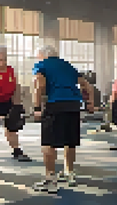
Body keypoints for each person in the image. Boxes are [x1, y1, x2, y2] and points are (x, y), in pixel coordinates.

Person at [32, 45, 94, 193]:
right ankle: (69, 173)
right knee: (70, 141)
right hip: (73, 105)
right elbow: (87, 86)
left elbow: (39, 85)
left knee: (48, 143)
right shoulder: (68, 65)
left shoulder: (41, 65)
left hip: (55, 105)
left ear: (42, 55)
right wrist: (90, 103)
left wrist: (36, 108)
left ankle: (50, 180)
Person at [0, 45, 31, 164]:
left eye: (4, 58)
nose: (3, 61)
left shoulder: (11, 70)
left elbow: (15, 88)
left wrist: (17, 105)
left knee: (12, 130)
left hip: (8, 103)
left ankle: (17, 151)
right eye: (0, 59)